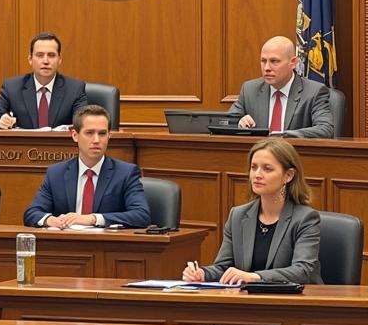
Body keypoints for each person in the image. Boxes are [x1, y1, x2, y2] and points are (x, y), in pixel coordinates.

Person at [182, 138, 322, 284]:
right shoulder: (237, 216)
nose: (257, 175)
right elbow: (223, 268)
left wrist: (255, 277)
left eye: (267, 169)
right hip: (249, 302)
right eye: (254, 167)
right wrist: (201, 273)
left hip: (293, 302)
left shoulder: (305, 218)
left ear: (288, 175)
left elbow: (303, 271)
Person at [23, 105, 150, 228]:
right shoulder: (56, 173)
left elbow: (141, 215)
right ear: (75, 135)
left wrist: (92, 219)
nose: (96, 140)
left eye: (102, 133)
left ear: (109, 136)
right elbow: (32, 213)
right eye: (89, 133)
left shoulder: (125, 173)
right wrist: (50, 220)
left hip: (105, 246)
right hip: (66, 245)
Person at [228, 36, 334, 138]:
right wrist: (238, 122)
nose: (267, 68)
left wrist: (284, 135)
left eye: (274, 61)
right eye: (263, 61)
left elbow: (325, 129)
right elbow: (225, 121)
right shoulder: (249, 90)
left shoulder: (314, 92)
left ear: (293, 63)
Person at [0, 32, 87, 130]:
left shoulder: (75, 89)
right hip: (24, 149)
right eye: (40, 55)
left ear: (59, 60)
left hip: (60, 150)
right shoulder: (12, 87)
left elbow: (84, 124)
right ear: (30, 59)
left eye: (51, 55)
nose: (45, 61)